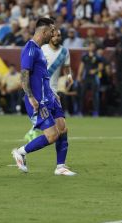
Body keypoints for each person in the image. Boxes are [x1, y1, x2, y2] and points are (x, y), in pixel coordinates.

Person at [11, 17, 76, 176]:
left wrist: (53, 93)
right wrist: (31, 98)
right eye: (52, 31)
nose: (54, 34)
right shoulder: (30, 49)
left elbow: (41, 76)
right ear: (45, 31)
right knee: (52, 135)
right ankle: (20, 152)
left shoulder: (39, 50)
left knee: (63, 128)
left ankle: (60, 166)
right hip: (38, 101)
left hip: (50, 97)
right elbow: (24, 75)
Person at [24, 29, 73, 142]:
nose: (56, 38)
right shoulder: (42, 49)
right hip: (41, 88)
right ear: (50, 37)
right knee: (48, 115)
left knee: (55, 119)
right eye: (54, 36)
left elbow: (66, 67)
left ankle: (34, 132)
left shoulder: (64, 52)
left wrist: (69, 77)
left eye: (59, 36)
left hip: (54, 88)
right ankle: (35, 134)